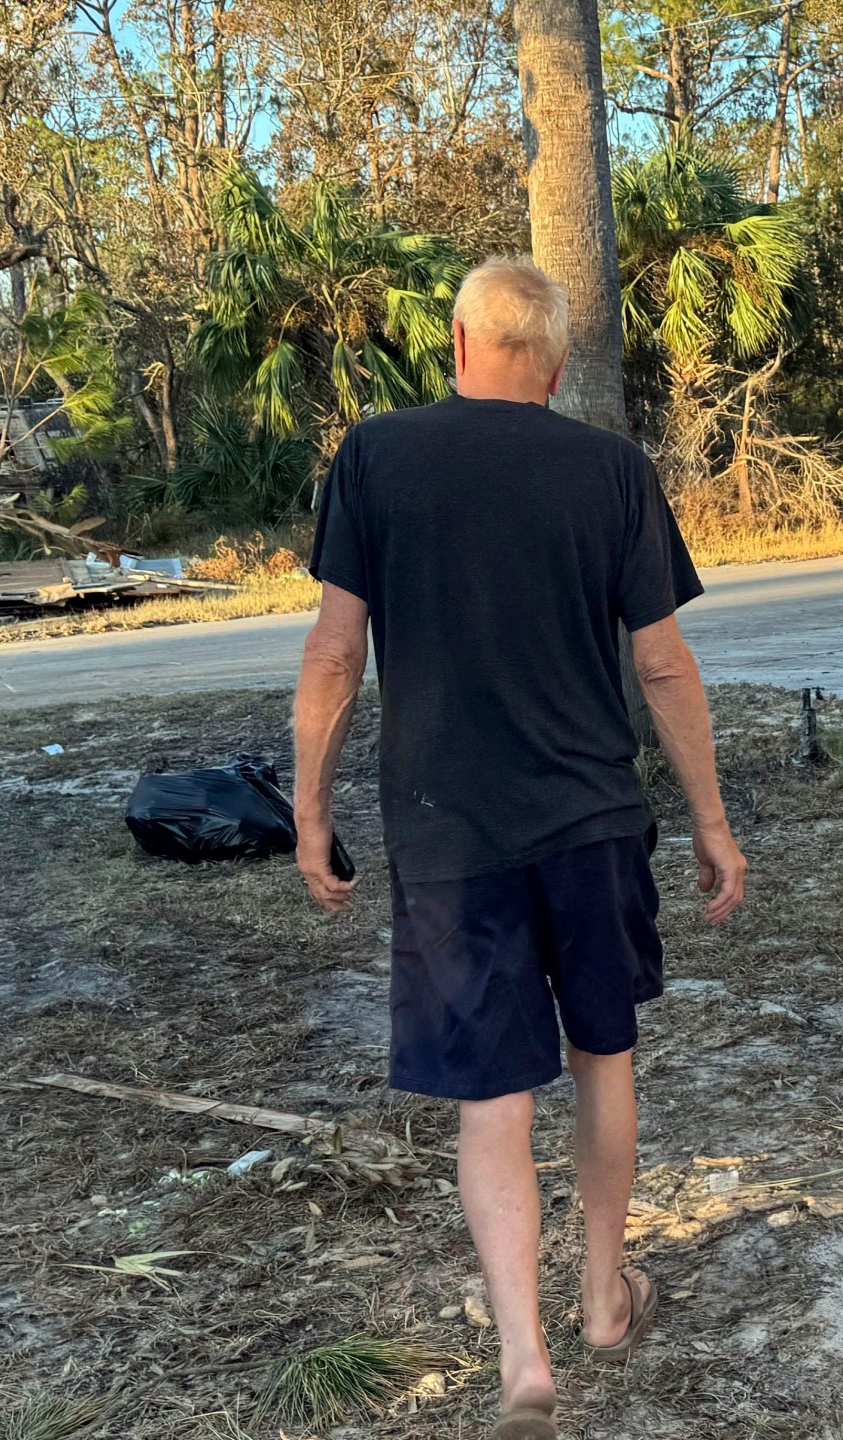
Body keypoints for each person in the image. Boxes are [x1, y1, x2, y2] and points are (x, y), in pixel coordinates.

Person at [291, 256, 747, 1440]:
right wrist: (707, 816)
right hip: (593, 824)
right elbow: (661, 663)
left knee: (491, 1100)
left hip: (451, 837)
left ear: (455, 340)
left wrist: (308, 807)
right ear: (551, 363)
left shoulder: (378, 457)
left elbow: (335, 653)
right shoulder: (610, 470)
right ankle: (604, 1299)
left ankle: (524, 1365)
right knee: (604, 1057)